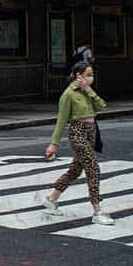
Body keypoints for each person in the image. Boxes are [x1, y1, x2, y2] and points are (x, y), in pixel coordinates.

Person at [42, 60, 111, 225]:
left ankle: (51, 199)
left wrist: (89, 90)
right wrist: (54, 144)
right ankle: (97, 211)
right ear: (78, 75)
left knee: (75, 169)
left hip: (91, 132)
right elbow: (61, 120)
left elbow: (102, 106)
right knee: (93, 168)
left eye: (92, 75)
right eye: (88, 75)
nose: (91, 78)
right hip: (77, 132)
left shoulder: (87, 91)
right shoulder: (68, 95)